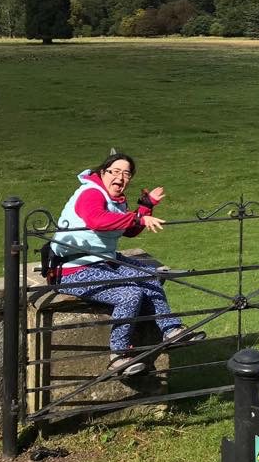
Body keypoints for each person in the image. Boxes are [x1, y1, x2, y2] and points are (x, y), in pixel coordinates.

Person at [53, 152, 205, 376]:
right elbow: (97, 219)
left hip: (103, 261)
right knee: (129, 294)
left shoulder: (116, 200)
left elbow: (129, 230)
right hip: (73, 268)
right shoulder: (91, 193)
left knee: (150, 275)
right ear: (102, 173)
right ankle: (119, 356)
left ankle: (171, 331)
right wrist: (138, 218)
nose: (121, 178)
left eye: (126, 173)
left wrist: (145, 207)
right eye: (115, 171)